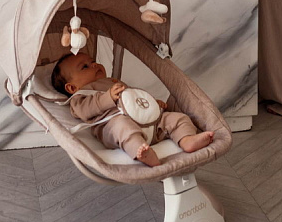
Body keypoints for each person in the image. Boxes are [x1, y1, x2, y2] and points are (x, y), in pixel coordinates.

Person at [51, 51, 214, 166]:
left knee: (176, 118)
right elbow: (85, 111)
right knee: (122, 126)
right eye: (85, 67)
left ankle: (186, 140)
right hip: (114, 124)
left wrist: (152, 104)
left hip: (149, 122)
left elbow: (134, 98)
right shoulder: (79, 97)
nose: (94, 65)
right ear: (72, 87)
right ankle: (141, 152)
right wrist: (108, 98)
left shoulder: (112, 81)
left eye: (93, 61)